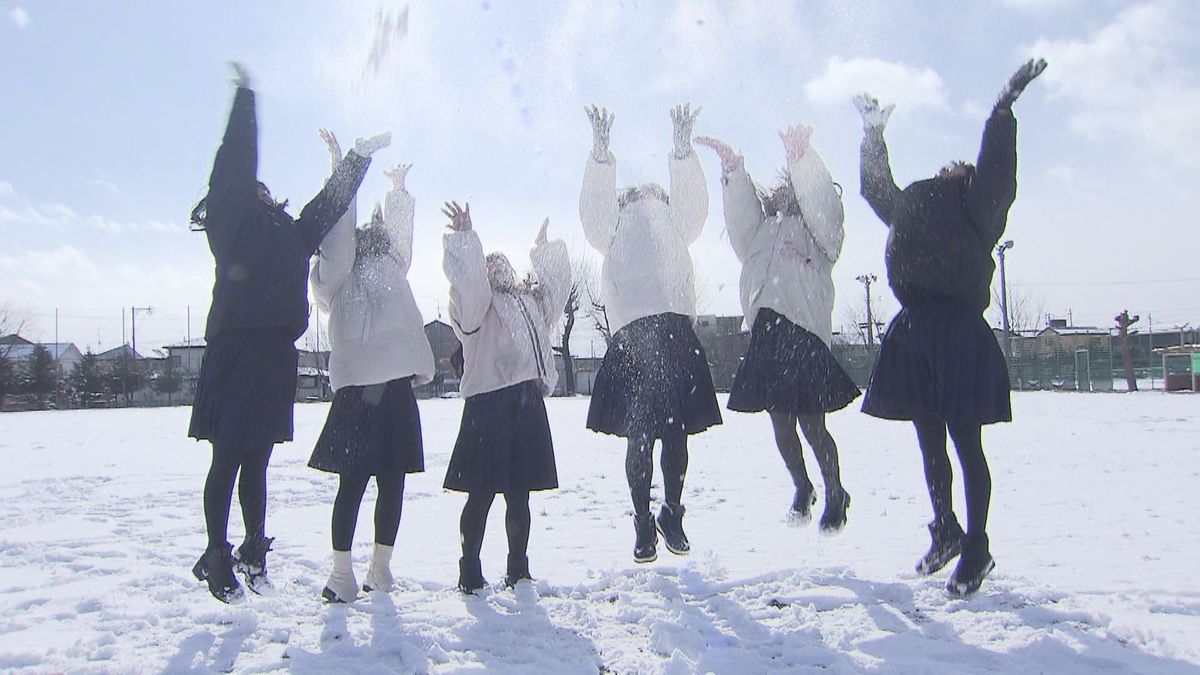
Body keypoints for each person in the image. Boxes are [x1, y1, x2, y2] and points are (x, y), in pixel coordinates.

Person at [187, 63, 389, 603]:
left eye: (266, 187)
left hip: (276, 355)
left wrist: (358, 159)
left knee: (257, 458)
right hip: (236, 351)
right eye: (253, 186)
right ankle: (215, 552)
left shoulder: (290, 233)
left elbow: (326, 206)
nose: (261, 187)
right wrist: (247, 103)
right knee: (228, 456)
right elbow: (232, 167)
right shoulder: (232, 224)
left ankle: (253, 546)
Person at [855, 58, 1047, 597]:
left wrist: (1002, 110)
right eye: (943, 168)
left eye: (954, 168)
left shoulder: (977, 206)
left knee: (966, 444)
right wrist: (872, 135)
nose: (945, 171)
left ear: (964, 178)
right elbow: (876, 190)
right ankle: (946, 530)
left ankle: (978, 547)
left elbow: (997, 174)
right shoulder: (913, 203)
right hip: (916, 330)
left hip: (958, 331)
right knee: (930, 442)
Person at [696, 124, 858, 533]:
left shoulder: (820, 233)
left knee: (812, 423)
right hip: (768, 334)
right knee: (781, 423)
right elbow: (741, 215)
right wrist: (733, 171)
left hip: (803, 333)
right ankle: (803, 488)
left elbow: (822, 203)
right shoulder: (760, 232)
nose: (785, 195)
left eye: (794, 188)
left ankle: (835, 491)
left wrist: (802, 160)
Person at [580, 103, 722, 564]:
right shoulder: (613, 226)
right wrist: (601, 156)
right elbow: (594, 212)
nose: (643, 192)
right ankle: (643, 522)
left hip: (674, 333)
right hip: (633, 339)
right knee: (639, 437)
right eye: (634, 190)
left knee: (676, 436)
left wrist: (682, 153)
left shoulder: (676, 224)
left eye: (652, 189)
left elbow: (696, 207)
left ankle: (672, 513)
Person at [307, 130, 435, 604]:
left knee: (391, 482)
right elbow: (338, 234)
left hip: (394, 387)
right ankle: (342, 574)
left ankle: (380, 568)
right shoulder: (338, 275)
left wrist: (398, 194)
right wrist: (342, 169)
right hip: (360, 390)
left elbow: (400, 239)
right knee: (355, 483)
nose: (370, 233)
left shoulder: (391, 264)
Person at [441, 202, 571, 593]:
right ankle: (469, 571)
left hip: (526, 406)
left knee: (519, 496)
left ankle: (518, 569)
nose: (496, 267)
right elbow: (468, 287)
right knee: (479, 497)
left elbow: (557, 294)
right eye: (488, 264)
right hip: (487, 406)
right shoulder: (475, 306)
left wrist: (545, 253)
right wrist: (466, 240)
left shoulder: (529, 304)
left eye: (501, 263)